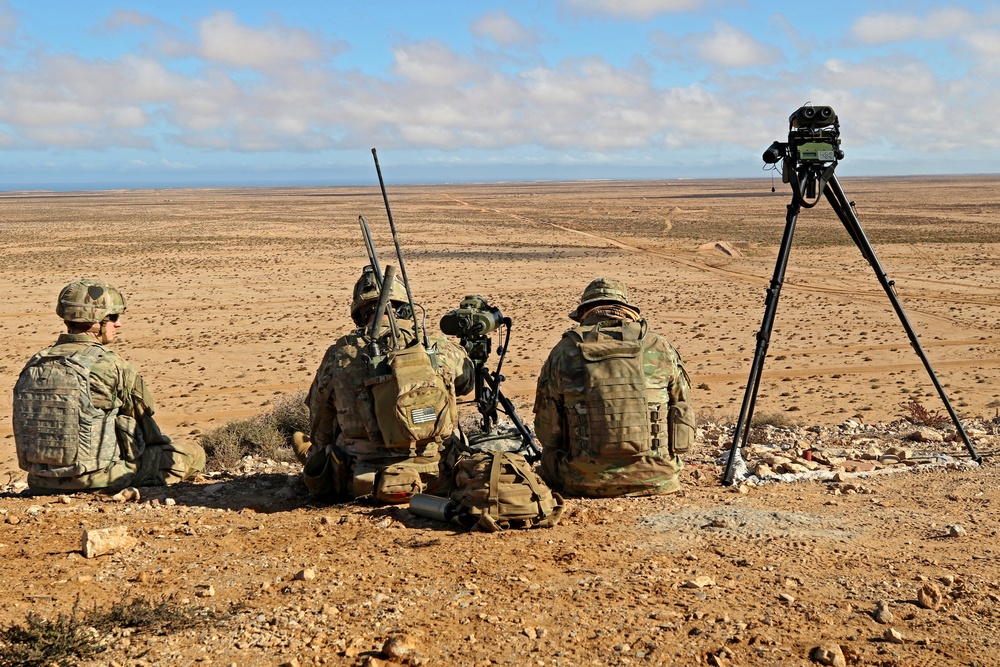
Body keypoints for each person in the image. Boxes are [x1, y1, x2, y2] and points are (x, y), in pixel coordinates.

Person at [295, 266, 475, 504]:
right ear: (404, 306)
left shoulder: (341, 353)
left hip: (360, 480)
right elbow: (466, 383)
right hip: (438, 478)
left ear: (359, 312)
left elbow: (320, 419)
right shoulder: (437, 345)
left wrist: (319, 459)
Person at [13, 278, 205, 494]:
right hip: (99, 478)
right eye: (112, 317)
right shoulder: (109, 364)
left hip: (40, 480)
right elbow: (145, 424)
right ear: (95, 322)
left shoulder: (36, 362)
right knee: (193, 454)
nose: (119, 324)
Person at [533, 278, 695, 497]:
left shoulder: (564, 351)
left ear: (585, 311)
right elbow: (682, 405)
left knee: (547, 457)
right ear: (625, 308)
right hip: (659, 477)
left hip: (584, 482)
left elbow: (549, 434)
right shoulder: (660, 346)